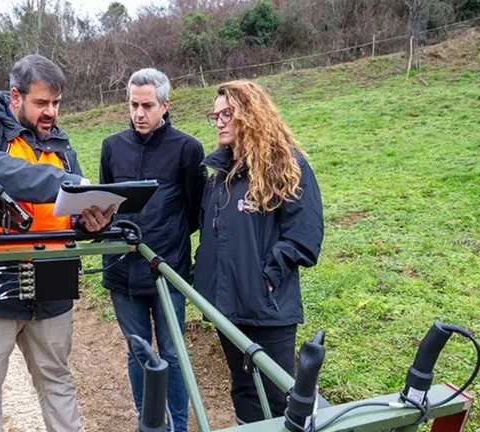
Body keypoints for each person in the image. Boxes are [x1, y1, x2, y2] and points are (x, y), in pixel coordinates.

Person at [0, 54, 113, 432]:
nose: (50, 112)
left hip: (52, 284)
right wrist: (59, 183)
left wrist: (92, 221)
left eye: (56, 103)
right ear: (15, 97)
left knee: (58, 381)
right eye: (41, 103)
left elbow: (70, 211)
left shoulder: (61, 145)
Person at [194, 81, 324, 424]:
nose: (220, 122)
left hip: (268, 308)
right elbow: (210, 232)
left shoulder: (286, 165)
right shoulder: (219, 175)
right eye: (216, 115)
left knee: (279, 393)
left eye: (227, 114)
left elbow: (304, 234)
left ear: (250, 116)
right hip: (225, 306)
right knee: (242, 389)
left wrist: (267, 278)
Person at [99, 68, 206, 431]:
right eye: (133, 104)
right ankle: (149, 423)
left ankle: (178, 425)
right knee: (138, 350)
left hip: (168, 268)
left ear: (165, 105)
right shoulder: (112, 147)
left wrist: (166, 237)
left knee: (173, 352)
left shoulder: (187, 149)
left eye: (147, 105)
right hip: (120, 269)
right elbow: (104, 205)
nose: (139, 113)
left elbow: (195, 210)